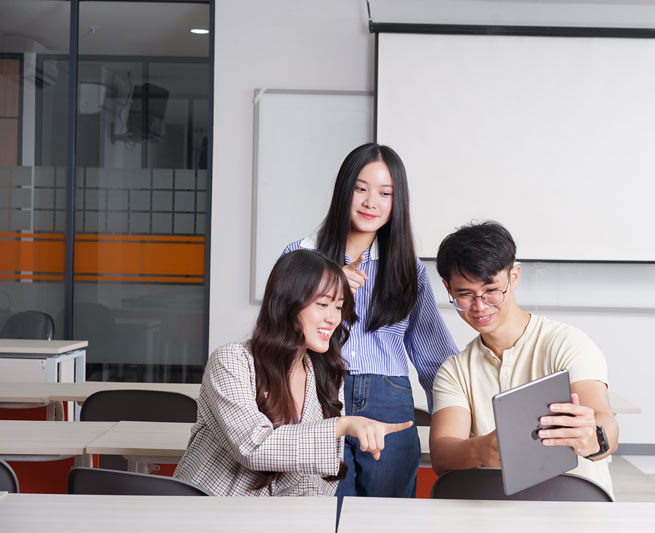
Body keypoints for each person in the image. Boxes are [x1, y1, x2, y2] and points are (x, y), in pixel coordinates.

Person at [283, 143, 458, 498]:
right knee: (320, 507)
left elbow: (434, 357)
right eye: (360, 189)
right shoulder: (300, 255)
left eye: (385, 193)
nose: (370, 202)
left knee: (389, 517)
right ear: (343, 190)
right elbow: (276, 332)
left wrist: (458, 420)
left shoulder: (407, 268)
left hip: (388, 396)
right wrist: (325, 286)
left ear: (398, 202)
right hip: (316, 390)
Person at [175, 249, 413, 496]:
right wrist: (341, 425)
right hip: (209, 514)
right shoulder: (231, 361)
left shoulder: (328, 374)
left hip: (280, 518)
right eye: (322, 304)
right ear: (287, 302)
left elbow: (314, 476)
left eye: (339, 307)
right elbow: (253, 447)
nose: (333, 318)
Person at [430, 221, 618, 497]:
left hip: (574, 499)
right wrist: (480, 449)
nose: (480, 306)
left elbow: (606, 423)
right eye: (464, 295)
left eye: (491, 290)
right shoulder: (455, 370)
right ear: (448, 289)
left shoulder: (566, 343)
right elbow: (442, 454)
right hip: (491, 505)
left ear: (514, 277)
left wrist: (593, 437)